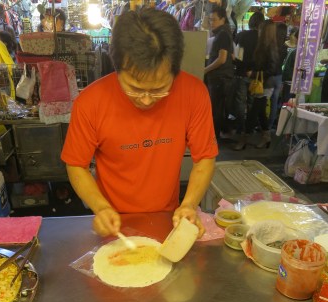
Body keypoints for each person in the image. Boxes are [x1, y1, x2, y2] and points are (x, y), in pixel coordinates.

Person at [61, 8, 217, 238]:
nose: (145, 100)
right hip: (113, 220)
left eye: (159, 90)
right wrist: (100, 207)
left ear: (174, 71)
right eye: (134, 88)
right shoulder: (90, 102)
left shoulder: (194, 93)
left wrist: (189, 204)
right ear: (117, 68)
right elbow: (76, 164)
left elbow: (205, 156)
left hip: (168, 217)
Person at [244, 20, 280, 149]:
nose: (258, 32)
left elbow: (272, 69)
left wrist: (253, 74)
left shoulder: (269, 47)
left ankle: (245, 137)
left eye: (260, 30)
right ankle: (266, 137)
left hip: (266, 84)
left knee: (254, 111)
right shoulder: (267, 45)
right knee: (260, 112)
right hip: (263, 83)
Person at [232, 11, 265, 151]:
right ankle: (249, 129)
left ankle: (241, 128)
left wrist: (241, 65)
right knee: (252, 103)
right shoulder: (263, 38)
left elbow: (235, 55)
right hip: (255, 76)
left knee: (240, 103)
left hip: (240, 73)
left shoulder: (241, 35)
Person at [204, 6, 234, 140]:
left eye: (214, 20)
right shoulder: (224, 32)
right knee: (218, 109)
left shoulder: (223, 34)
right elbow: (231, 56)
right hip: (221, 77)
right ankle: (216, 136)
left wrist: (205, 70)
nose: (211, 23)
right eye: (210, 20)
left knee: (216, 109)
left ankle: (213, 138)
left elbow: (221, 59)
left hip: (219, 78)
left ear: (222, 19)